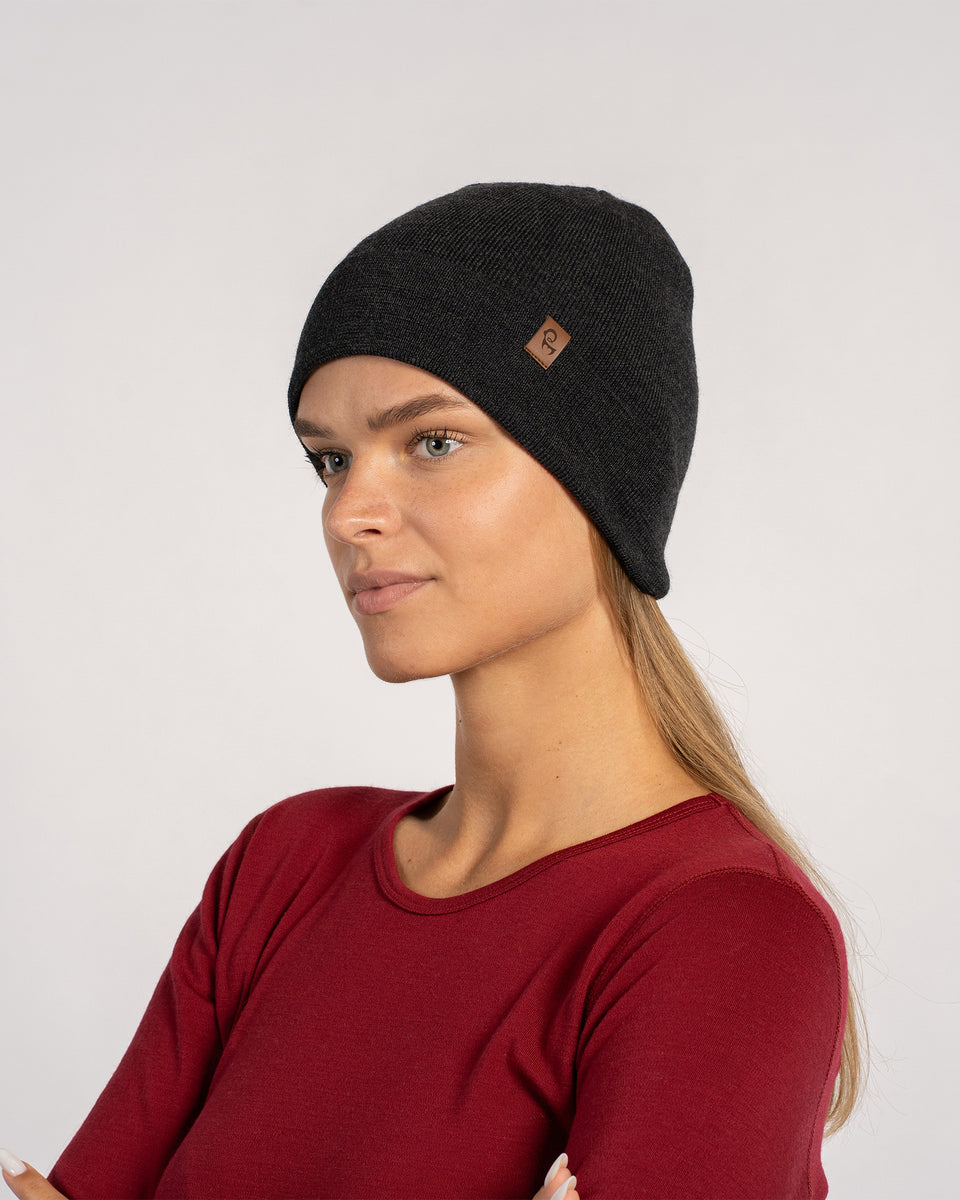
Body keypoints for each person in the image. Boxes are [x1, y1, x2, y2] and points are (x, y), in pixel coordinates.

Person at [1, 182, 867, 1200]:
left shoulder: (726, 933)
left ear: (602, 475)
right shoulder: (283, 869)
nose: (347, 514)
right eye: (330, 460)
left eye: (433, 442)